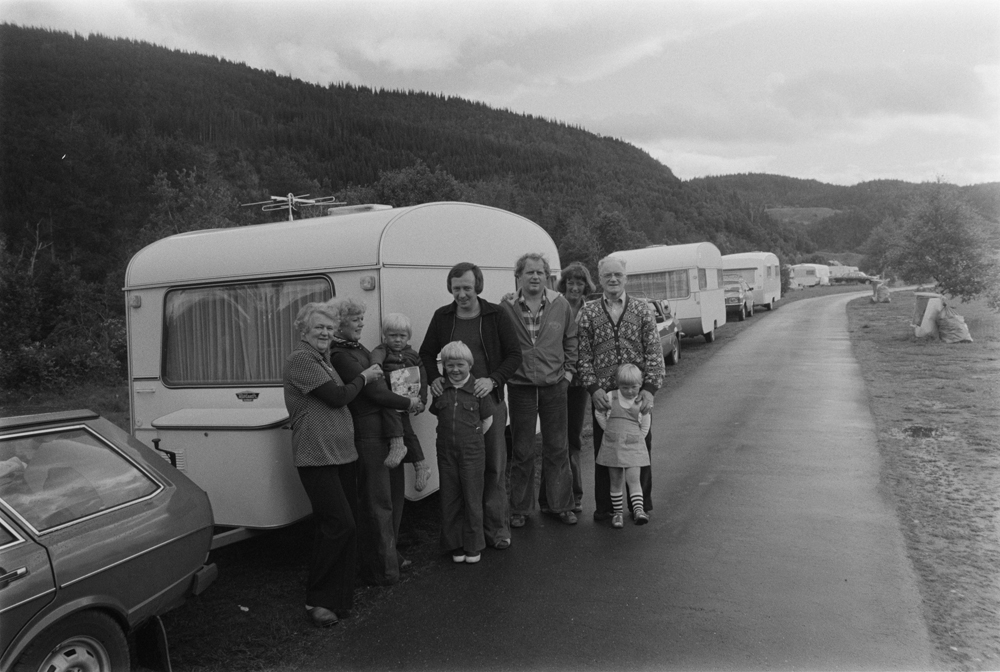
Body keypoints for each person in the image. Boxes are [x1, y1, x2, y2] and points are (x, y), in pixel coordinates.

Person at [283, 302, 384, 627]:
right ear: (304, 331)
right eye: (319, 328)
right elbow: (338, 397)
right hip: (316, 456)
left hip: (341, 454)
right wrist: (365, 378)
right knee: (340, 524)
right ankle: (318, 600)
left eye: (329, 328)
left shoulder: (323, 359)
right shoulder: (301, 359)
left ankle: (339, 600)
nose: (325, 333)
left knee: (342, 525)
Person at [419, 262, 522, 550]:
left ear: (478, 285)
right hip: (455, 403)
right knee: (460, 473)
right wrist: (435, 380)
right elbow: (426, 353)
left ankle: (496, 530)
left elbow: (514, 355)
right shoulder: (443, 316)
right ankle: (467, 533)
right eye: (456, 289)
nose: (462, 294)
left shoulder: (495, 315)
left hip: (489, 402)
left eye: (467, 287)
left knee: (494, 467)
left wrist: (493, 380)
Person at [327, 298, 420, 586]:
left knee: (394, 497)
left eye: (361, 319)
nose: (362, 324)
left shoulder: (359, 349)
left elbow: (383, 380)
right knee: (378, 502)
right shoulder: (342, 355)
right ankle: (383, 569)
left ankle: (390, 555)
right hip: (368, 433)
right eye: (356, 319)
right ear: (341, 323)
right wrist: (407, 401)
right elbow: (375, 392)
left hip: (385, 430)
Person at [578, 255, 665, 521]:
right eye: (607, 276)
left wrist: (649, 389)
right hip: (604, 397)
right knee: (605, 451)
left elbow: (654, 352)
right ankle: (606, 507)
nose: (613, 280)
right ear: (600, 278)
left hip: (635, 395)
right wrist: (593, 389)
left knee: (640, 448)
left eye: (618, 275)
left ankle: (640, 505)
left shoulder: (641, 310)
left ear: (625, 278)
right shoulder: (589, 312)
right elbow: (584, 356)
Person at [501, 252, 579, 527]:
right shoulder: (507, 306)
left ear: (547, 276)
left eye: (540, 272)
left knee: (557, 447)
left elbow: (571, 340)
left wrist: (568, 374)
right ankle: (520, 509)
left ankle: (560, 505)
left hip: (555, 385)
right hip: (520, 387)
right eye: (529, 272)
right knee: (522, 449)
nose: (535, 276)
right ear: (519, 276)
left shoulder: (560, 305)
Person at [430, 341, 496, 564]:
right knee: (449, 497)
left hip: (472, 452)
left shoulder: (478, 388)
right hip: (446, 451)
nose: (455, 370)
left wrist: (473, 436)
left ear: (470, 364)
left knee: (472, 497)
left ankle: (473, 544)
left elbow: (487, 419)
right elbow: (437, 414)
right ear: (444, 366)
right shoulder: (440, 388)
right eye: (450, 365)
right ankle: (455, 544)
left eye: (460, 365)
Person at [539, 261, 596, 514]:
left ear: (586, 286)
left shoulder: (591, 311)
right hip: (553, 379)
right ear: (564, 284)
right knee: (553, 439)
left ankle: (575, 494)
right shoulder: (553, 306)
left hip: (578, 382)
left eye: (579, 282)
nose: (574, 286)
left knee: (573, 437)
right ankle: (547, 498)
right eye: (570, 282)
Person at [371, 313, 432, 492]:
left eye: (402, 336)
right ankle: (420, 464)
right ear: (385, 336)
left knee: (407, 430)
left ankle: (401, 448)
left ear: (408, 337)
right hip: (393, 398)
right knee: (408, 432)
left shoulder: (413, 355)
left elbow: (423, 378)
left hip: (408, 399)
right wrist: (376, 366)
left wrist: (422, 401)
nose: (397, 340)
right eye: (392, 335)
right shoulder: (383, 350)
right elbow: (376, 356)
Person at [594, 364, 652, 528]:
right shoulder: (611, 397)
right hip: (613, 445)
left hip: (634, 445)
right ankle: (617, 514)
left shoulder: (640, 400)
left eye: (634, 387)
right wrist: (608, 429)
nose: (629, 391)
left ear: (640, 384)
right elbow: (599, 412)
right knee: (616, 479)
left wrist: (641, 436)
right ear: (618, 385)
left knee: (634, 479)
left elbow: (647, 419)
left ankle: (639, 510)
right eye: (624, 387)